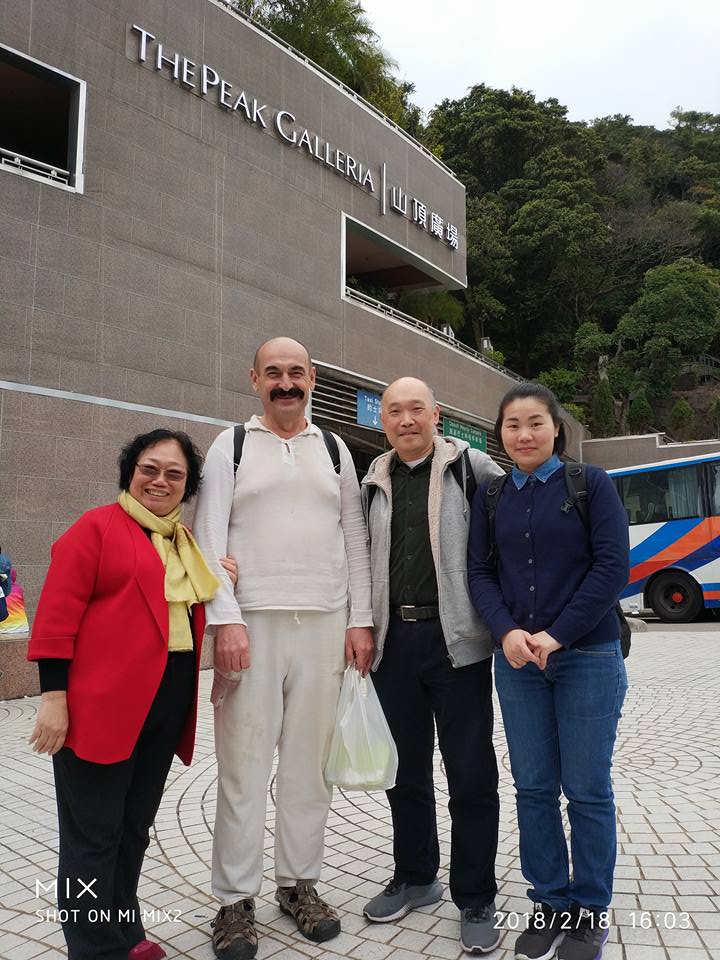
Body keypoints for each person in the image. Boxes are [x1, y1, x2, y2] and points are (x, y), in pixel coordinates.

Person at [192, 336, 373, 960]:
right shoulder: (231, 445)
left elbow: (354, 537)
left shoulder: (335, 449)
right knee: (243, 769)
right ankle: (234, 900)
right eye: (274, 373)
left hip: (325, 623)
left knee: (308, 770)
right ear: (255, 380)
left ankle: (299, 885)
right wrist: (225, 620)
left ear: (313, 379)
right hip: (251, 626)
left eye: (297, 372)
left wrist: (360, 620)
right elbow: (208, 535)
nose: (286, 382)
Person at [27, 428, 235, 960]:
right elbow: (56, 617)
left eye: (175, 474)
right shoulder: (96, 528)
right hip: (99, 711)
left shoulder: (183, 544)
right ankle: (94, 949)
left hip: (163, 708)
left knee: (132, 830)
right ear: (130, 472)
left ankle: (124, 931)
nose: (160, 481)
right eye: (150, 469)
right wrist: (54, 699)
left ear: (188, 485)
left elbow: (186, 599)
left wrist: (222, 571)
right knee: (93, 836)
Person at [467, 383, 629, 960]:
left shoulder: (591, 485)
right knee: (534, 787)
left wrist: (557, 634)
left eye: (535, 422)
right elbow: (480, 572)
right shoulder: (491, 496)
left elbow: (613, 568)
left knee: (586, 790)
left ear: (556, 428)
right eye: (513, 425)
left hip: (587, 657)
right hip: (518, 663)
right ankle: (550, 901)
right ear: (501, 434)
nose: (524, 434)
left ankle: (590, 909)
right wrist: (507, 631)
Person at [360, 377, 504, 955]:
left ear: (436, 414)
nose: (406, 420)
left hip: (457, 642)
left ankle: (476, 896)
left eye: (416, 408)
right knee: (405, 771)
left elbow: (513, 532)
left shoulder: (472, 468)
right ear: (383, 421)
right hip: (393, 643)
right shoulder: (373, 479)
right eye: (394, 411)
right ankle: (416, 876)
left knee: (471, 773)